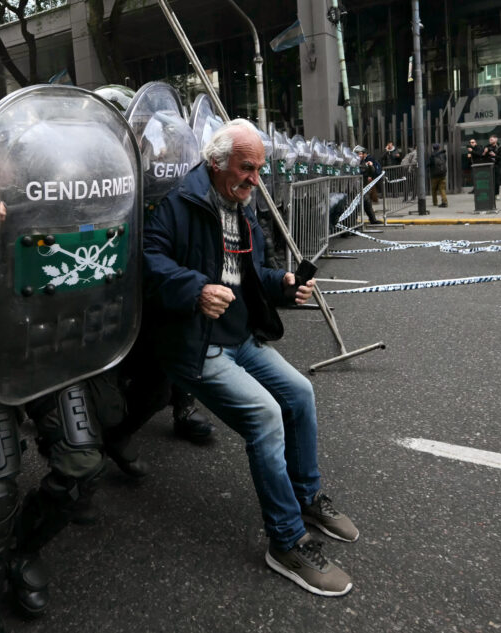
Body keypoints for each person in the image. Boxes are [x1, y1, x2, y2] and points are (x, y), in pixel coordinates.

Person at [143, 119, 359, 597]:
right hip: (197, 343)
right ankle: (285, 541)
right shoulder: (178, 205)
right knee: (265, 416)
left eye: (260, 169)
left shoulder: (243, 204)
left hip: (240, 336)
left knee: (300, 393)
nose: (255, 179)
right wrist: (195, 289)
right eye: (247, 168)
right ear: (217, 163)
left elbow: (251, 269)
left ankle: (306, 497)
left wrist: (282, 284)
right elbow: (149, 262)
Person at [354, 145, 383, 224]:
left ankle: (373, 219)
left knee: (367, 203)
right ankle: (353, 223)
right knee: (355, 206)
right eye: (358, 154)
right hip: (354, 187)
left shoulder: (364, 163)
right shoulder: (353, 163)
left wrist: (370, 166)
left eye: (361, 154)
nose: (360, 156)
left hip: (363, 186)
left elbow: (372, 172)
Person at [428, 142, 448, 208]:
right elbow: (445, 161)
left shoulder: (432, 156)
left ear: (433, 148)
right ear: (439, 148)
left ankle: (435, 202)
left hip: (434, 175)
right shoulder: (443, 154)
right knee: (442, 189)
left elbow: (428, 164)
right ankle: (444, 202)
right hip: (442, 174)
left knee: (434, 189)